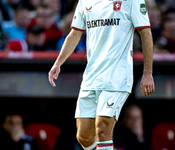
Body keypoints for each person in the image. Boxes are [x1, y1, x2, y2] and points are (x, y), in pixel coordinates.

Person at [48, 0, 155, 149]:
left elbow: (146, 33)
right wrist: (58, 63)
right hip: (91, 77)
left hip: (118, 76)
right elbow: (74, 34)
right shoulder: (84, 2)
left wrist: (148, 73)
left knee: (102, 127)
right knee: (84, 136)